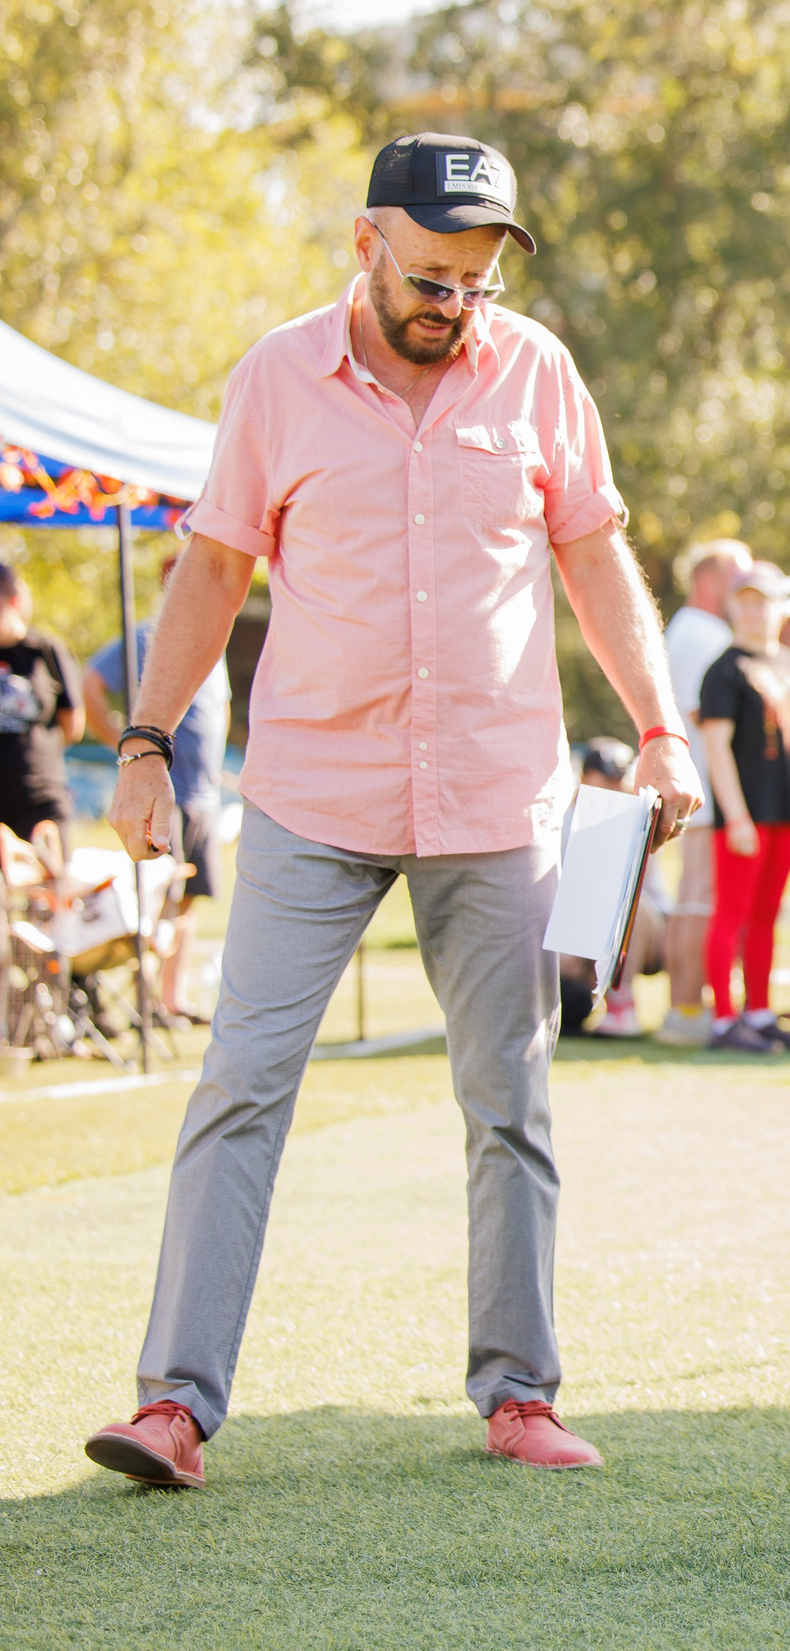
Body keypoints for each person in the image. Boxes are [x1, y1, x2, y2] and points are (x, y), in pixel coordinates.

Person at [80, 132, 704, 1490]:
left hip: (497, 798)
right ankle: (172, 1408)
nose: (454, 302)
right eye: (432, 274)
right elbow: (208, 572)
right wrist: (143, 740)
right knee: (241, 1087)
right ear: (366, 243)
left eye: (476, 279)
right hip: (313, 793)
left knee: (511, 1101)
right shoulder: (276, 379)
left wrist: (660, 729)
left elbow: (593, 555)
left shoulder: (536, 370)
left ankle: (520, 1394)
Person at [86, 546, 231, 1022]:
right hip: (167, 790)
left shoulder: (218, 633)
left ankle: (170, 999)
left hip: (204, 793)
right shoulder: (151, 635)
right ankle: (143, 1000)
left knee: (187, 901)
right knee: (158, 902)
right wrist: (129, 748)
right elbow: (91, 684)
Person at [697, 561, 790, 1053]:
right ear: (732, 607)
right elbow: (716, 747)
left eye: (762, 602)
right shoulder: (724, 670)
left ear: (779, 608)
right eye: (744, 601)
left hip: (787, 813)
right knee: (731, 912)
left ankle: (760, 1009)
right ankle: (725, 1020)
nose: (752, 612)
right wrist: (736, 815)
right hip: (745, 816)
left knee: (769, 914)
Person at [658, 537, 753, 1046]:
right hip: (707, 790)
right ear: (709, 579)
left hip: (699, 787)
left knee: (693, 898)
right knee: (699, 902)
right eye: (735, 577)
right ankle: (687, 1012)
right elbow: (707, 714)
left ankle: (687, 1008)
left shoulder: (688, 630)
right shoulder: (704, 634)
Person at [557, 738, 666, 1037]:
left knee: (634, 906)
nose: (614, 785)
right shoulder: (559, 825)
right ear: (586, 777)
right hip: (577, 932)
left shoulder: (640, 822)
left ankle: (621, 1003)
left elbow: (656, 896)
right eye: (607, 777)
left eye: (619, 778)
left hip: (635, 930)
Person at [0, 562, 84, 855]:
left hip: (39, 797)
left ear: (13, 602)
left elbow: (72, 725)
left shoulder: (44, 650)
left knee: (50, 893)